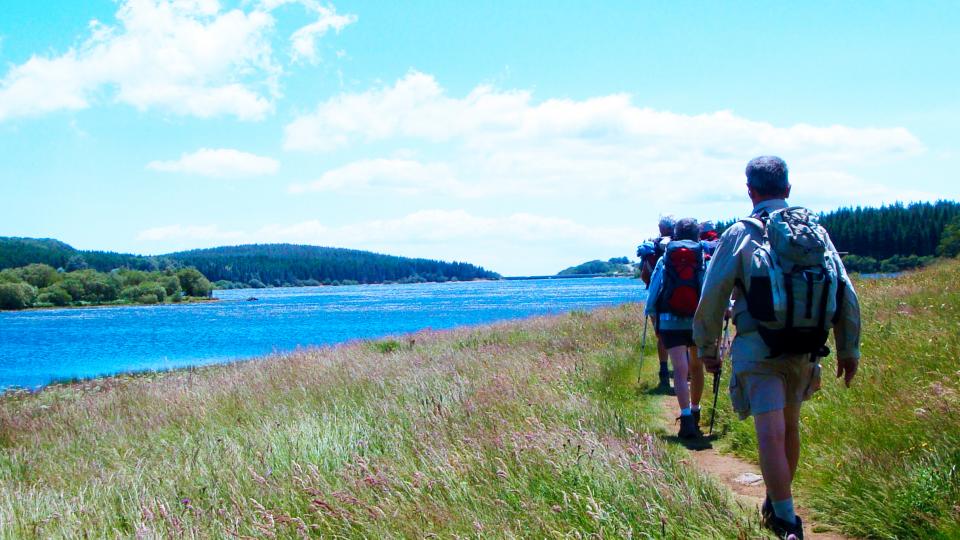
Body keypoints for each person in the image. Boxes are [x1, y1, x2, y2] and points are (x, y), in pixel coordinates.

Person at [693, 156, 861, 540]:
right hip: (805, 348)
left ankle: (787, 520)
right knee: (789, 426)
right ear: (788, 188)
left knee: (769, 433)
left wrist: (707, 348)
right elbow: (844, 290)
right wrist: (848, 349)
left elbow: (713, 294)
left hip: (759, 347)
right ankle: (778, 500)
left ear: (750, 191)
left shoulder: (741, 233)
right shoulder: (816, 233)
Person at [645, 217, 707, 438]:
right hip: (697, 320)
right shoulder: (701, 258)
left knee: (680, 371)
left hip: (670, 320)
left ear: (675, 235)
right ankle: (696, 409)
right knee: (697, 367)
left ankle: (686, 418)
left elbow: (654, 289)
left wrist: (652, 315)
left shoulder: (665, 259)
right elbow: (708, 288)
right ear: (697, 236)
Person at [637, 215, 677, 393]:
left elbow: (645, 276)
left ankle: (663, 374)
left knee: (661, 337)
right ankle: (683, 373)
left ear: (660, 229)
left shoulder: (652, 250)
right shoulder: (684, 246)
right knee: (682, 336)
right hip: (679, 299)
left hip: (658, 301)